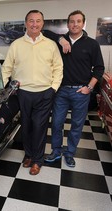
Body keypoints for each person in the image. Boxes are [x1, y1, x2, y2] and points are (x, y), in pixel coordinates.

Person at [2, 10, 63, 175]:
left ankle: (37, 160)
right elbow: (6, 68)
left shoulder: (50, 45)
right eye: (31, 21)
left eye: (38, 21)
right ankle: (28, 155)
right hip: (23, 93)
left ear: (42, 23)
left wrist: (53, 88)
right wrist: (1, 87)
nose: (34, 24)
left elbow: (58, 68)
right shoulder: (16, 44)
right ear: (26, 23)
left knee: (39, 127)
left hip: (45, 93)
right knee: (26, 126)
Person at [44, 10, 105, 167]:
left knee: (76, 126)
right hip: (61, 91)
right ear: (68, 23)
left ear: (83, 23)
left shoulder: (92, 44)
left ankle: (70, 153)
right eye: (72, 21)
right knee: (57, 123)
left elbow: (99, 68)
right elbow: (44, 31)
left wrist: (89, 88)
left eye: (78, 21)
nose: (75, 24)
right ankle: (56, 151)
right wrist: (61, 39)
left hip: (81, 91)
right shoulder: (60, 40)